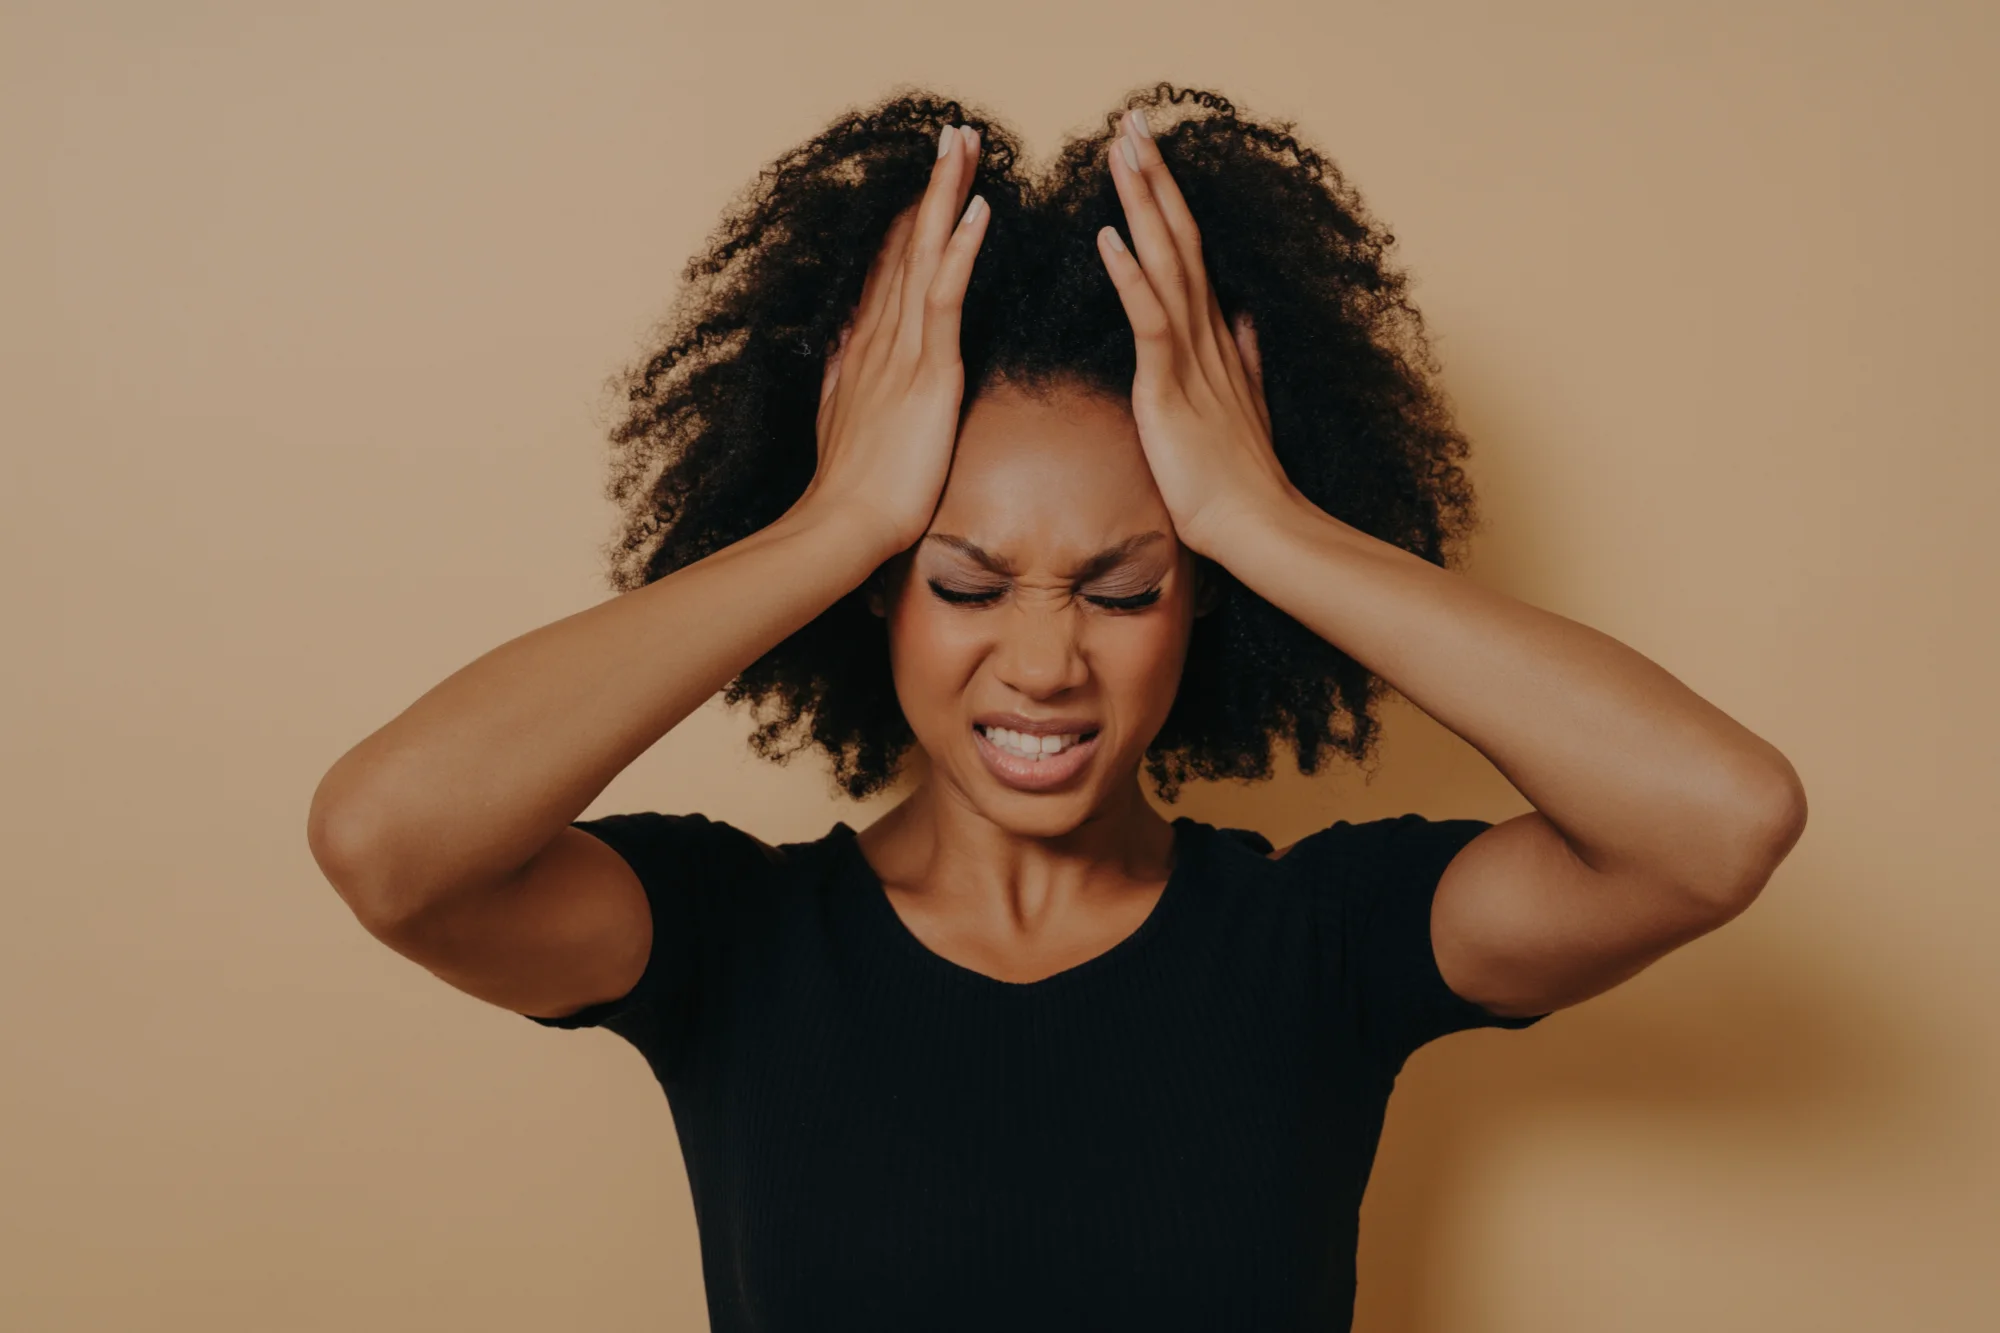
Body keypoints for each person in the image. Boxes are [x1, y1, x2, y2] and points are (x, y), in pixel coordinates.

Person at [306, 85, 1807, 1331]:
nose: (1042, 662)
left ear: (1202, 598)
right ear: (882, 595)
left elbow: (1717, 824)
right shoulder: (733, 944)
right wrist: (834, 522)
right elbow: (388, 842)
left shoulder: (1320, 945)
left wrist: (1263, 518)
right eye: (965, 584)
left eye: (1124, 587)